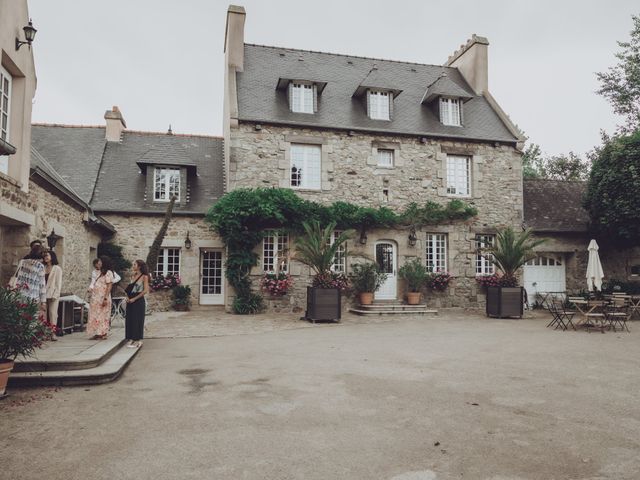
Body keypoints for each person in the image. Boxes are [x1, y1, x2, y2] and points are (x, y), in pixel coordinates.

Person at [13, 244, 47, 312]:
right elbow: (42, 285)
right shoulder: (40, 266)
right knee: (30, 319)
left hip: (20, 294)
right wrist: (43, 301)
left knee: (19, 317)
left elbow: (18, 277)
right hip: (33, 297)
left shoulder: (22, 262)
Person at [125, 259, 150, 348]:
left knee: (138, 320)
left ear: (139, 266)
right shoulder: (132, 276)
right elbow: (129, 289)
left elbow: (145, 291)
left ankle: (139, 339)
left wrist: (134, 299)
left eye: (134, 264)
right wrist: (127, 298)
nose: (133, 266)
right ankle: (131, 338)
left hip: (138, 300)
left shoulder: (144, 277)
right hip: (130, 299)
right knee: (130, 319)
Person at [87, 256, 113, 339]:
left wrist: (105, 298)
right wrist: (90, 288)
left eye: (101, 261)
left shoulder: (108, 273)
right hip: (95, 297)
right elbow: (93, 282)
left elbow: (109, 286)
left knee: (103, 315)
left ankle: (103, 333)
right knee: (95, 314)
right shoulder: (96, 272)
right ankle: (98, 333)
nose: (100, 263)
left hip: (103, 296)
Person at [43, 250, 62, 341]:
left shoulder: (57, 268)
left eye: (47, 256)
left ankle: (53, 333)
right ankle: (44, 333)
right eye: (45, 256)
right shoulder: (43, 267)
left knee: (53, 313)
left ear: (52, 257)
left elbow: (58, 284)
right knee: (43, 314)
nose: (46, 257)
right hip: (43, 294)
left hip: (53, 294)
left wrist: (56, 295)